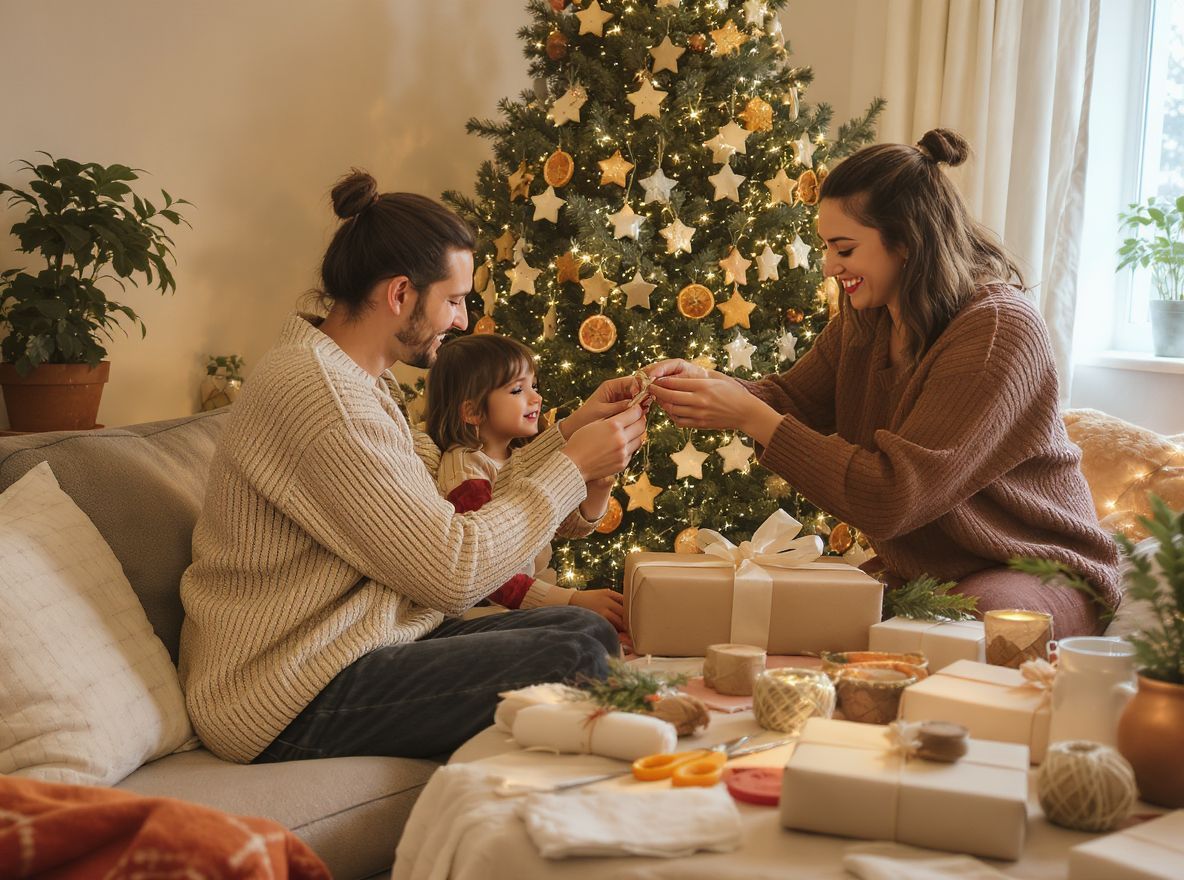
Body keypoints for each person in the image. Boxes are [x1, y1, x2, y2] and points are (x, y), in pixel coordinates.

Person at [178, 170, 647, 764]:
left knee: (583, 634)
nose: (462, 320)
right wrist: (572, 466)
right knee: (574, 654)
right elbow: (453, 572)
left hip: (360, 640)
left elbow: (452, 512)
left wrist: (571, 436)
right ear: (400, 295)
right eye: (453, 300)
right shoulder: (323, 395)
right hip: (285, 686)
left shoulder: (359, 382)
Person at [644, 128, 1119, 638]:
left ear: (907, 241)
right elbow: (788, 400)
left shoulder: (998, 329)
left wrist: (746, 414)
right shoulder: (867, 315)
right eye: (826, 248)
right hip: (934, 572)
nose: (829, 267)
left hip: (1035, 569)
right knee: (795, 620)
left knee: (957, 633)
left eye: (843, 249)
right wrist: (702, 384)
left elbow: (893, 497)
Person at [424, 333, 625, 630]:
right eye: (518, 390)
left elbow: (566, 527)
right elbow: (487, 573)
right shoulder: (466, 471)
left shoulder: (517, 456)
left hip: (525, 604)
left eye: (534, 386)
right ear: (472, 411)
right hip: (487, 615)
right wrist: (572, 600)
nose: (536, 397)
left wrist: (599, 487)